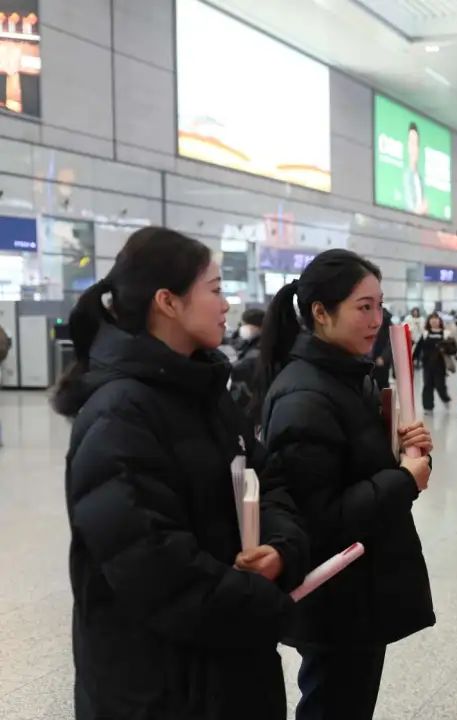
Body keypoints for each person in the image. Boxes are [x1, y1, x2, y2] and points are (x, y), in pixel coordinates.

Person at [52, 227, 309, 720]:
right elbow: (149, 563)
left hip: (229, 666)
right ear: (167, 302)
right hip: (160, 688)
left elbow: (266, 479)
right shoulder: (118, 415)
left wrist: (281, 550)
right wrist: (260, 601)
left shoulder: (206, 392)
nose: (226, 304)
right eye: (215, 289)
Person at [252, 250, 436, 720]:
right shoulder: (306, 396)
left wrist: (403, 448)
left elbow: (356, 467)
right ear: (321, 312)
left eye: (380, 305)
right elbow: (317, 518)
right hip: (335, 599)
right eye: (364, 307)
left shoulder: (348, 377)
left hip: (359, 591)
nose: (377, 319)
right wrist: (403, 479)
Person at [230, 307, 265, 422]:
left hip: (253, 407)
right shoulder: (251, 344)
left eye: (246, 324)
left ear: (258, 327)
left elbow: (240, 368)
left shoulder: (258, 351)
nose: (243, 328)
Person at [416, 312, 452, 413]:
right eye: (432, 319)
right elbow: (418, 348)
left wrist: (446, 348)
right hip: (427, 364)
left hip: (440, 365)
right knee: (427, 385)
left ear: (439, 321)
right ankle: (428, 407)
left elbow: (452, 348)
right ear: (429, 322)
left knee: (440, 385)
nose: (434, 321)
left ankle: (445, 399)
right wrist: (412, 358)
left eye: (436, 319)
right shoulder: (425, 334)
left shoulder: (445, 334)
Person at [402, 123, 428, 215]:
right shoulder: (406, 176)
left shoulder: (420, 178)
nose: (414, 148)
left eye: (416, 144)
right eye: (412, 143)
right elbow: (410, 209)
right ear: (408, 146)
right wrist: (421, 210)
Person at [369, 306, 394, 390]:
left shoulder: (387, 323)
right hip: (368, 360)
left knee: (381, 386)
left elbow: (391, 343)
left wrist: (384, 357)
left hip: (381, 361)